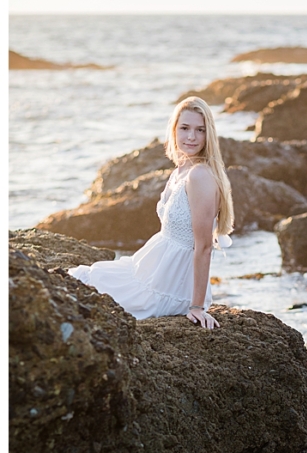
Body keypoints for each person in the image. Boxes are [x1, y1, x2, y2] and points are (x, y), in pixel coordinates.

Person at [68, 97, 234, 330]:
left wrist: (196, 306)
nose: (191, 137)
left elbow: (204, 246)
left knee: (89, 298)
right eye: (185, 128)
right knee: (85, 278)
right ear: (174, 129)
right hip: (151, 266)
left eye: (200, 130)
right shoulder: (182, 169)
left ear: (209, 135)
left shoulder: (200, 176)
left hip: (171, 284)